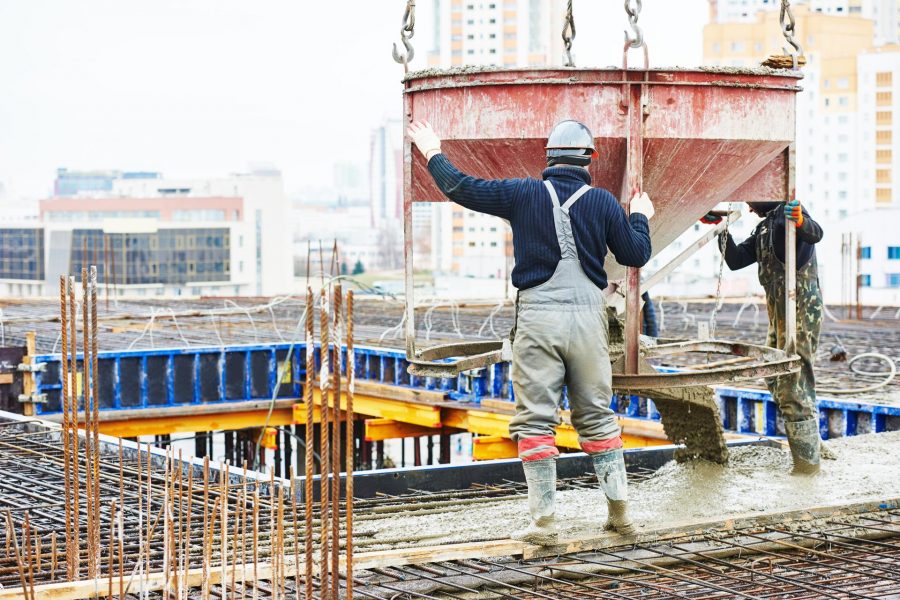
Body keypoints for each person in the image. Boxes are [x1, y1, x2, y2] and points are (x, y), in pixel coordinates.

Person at [407, 119, 653, 544]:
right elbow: (636, 253)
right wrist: (642, 217)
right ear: (589, 160)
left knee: (536, 420)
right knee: (597, 416)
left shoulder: (522, 194)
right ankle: (621, 517)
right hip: (588, 323)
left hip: (538, 321)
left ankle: (543, 525)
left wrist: (430, 148)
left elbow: (459, 187)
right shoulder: (604, 202)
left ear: (548, 158)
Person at [711, 200, 824, 474]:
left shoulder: (789, 215)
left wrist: (799, 220)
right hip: (778, 312)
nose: (749, 208)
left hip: (800, 309)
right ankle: (812, 443)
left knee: (793, 380)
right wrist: (721, 228)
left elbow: (816, 233)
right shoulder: (764, 228)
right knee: (774, 377)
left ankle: (808, 467)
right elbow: (736, 260)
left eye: (752, 202)